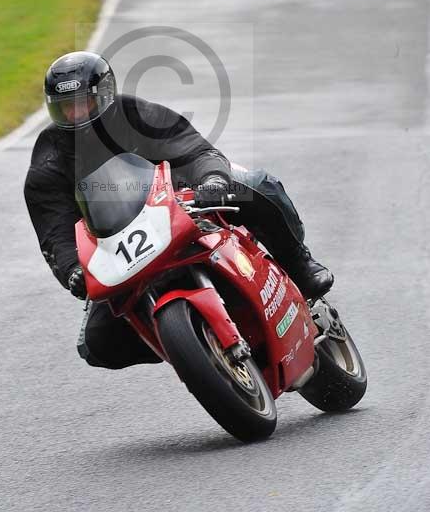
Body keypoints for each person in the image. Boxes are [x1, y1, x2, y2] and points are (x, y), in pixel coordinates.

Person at [24, 50, 333, 369]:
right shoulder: (49, 159)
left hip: (182, 203)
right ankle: (195, 345)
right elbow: (54, 230)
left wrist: (211, 179)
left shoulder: (136, 114)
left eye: (82, 103)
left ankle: (299, 265)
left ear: (104, 96)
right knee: (99, 346)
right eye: (65, 107)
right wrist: (72, 270)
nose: (75, 114)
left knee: (256, 186)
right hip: (117, 245)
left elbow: (192, 148)